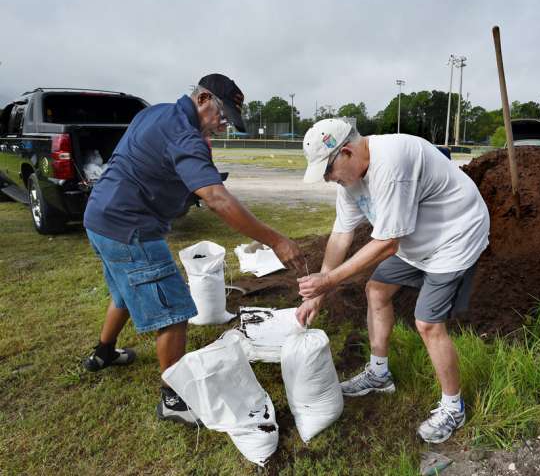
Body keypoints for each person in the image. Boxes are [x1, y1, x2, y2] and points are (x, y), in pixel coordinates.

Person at [82, 73, 304, 426]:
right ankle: (173, 399)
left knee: (126, 291)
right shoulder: (186, 136)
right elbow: (216, 198)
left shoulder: (156, 113)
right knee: (175, 312)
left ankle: (104, 353)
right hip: (131, 227)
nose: (223, 126)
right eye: (221, 116)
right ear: (202, 99)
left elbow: (148, 161)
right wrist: (277, 240)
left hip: (99, 218)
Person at [296, 119, 489, 444]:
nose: (329, 180)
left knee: (427, 323)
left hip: (455, 234)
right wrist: (316, 293)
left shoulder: (393, 163)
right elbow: (341, 236)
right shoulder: (351, 181)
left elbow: (388, 243)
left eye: (328, 171)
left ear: (345, 151)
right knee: (376, 290)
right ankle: (379, 373)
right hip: (415, 234)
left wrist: (328, 281)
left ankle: (454, 407)